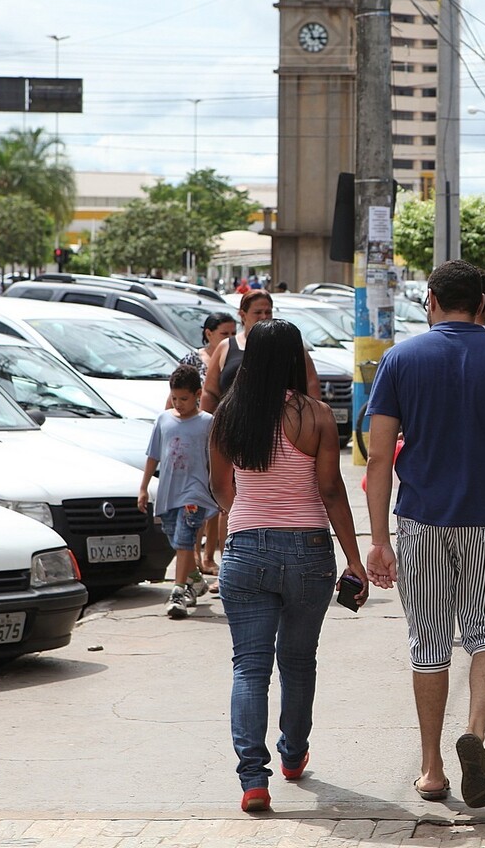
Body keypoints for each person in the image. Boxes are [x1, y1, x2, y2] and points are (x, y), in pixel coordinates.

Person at [363, 259, 485, 809]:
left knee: (428, 639)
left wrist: (379, 539)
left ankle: (430, 768)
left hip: (421, 521)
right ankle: (473, 730)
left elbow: (379, 458)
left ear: (430, 300)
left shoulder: (400, 358)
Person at [208, 318, 366, 814]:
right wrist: (355, 559)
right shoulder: (315, 415)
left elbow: (222, 491)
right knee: (298, 662)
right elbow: (331, 490)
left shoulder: (227, 417)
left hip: (247, 549)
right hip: (308, 551)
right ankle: (293, 754)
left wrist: (247, 515)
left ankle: (254, 779)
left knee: (249, 668)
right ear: (296, 358)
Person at [137, 365, 217, 619]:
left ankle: (178, 591)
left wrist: (219, 491)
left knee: (184, 540)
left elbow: (214, 461)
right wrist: (143, 487)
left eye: (184, 398)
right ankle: (195, 580)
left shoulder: (207, 423)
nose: (179, 404)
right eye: (175, 398)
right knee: (175, 538)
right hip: (168, 492)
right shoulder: (164, 420)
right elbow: (153, 455)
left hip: (195, 492)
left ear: (197, 394)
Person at [180, 311, 238, 578]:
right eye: (224, 333)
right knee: (196, 498)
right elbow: (176, 395)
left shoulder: (233, 357)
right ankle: (191, 555)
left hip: (225, 434)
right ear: (209, 334)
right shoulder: (193, 360)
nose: (229, 338)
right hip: (201, 434)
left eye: (232, 333)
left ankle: (209, 557)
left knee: (218, 499)